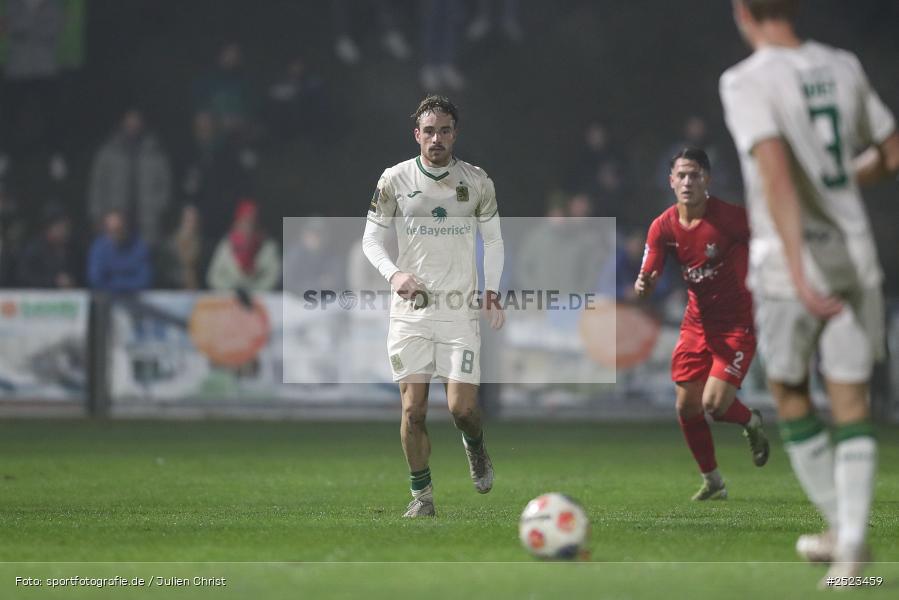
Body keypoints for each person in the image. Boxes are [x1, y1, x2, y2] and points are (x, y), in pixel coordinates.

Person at [720, 0, 899, 581]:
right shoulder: (842, 65)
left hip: (786, 262)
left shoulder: (746, 80)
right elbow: (893, 149)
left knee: (790, 389)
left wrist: (797, 265)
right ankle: (845, 541)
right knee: (851, 400)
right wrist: (844, 180)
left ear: (742, 12)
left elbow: (774, 172)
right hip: (856, 255)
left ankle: (846, 537)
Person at [362, 95, 505, 517]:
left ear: (455, 134)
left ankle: (475, 446)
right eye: (429, 131)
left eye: (444, 130)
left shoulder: (477, 181)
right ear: (417, 135)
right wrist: (395, 275)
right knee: (413, 409)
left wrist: (491, 289)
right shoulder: (394, 179)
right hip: (411, 312)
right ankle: (422, 497)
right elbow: (371, 239)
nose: (436, 138)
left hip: (459, 310)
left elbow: (494, 240)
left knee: (462, 409)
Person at [636, 147, 770, 501]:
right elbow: (647, 275)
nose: (687, 182)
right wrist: (643, 285)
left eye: (694, 175)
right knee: (685, 406)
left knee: (714, 405)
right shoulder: (663, 226)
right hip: (697, 322)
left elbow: (770, 239)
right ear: (670, 181)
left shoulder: (730, 218)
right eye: (681, 175)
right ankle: (713, 482)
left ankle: (750, 421)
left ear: (706, 180)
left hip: (737, 323)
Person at [88, 109, 172, 247]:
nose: (133, 123)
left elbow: (166, 188)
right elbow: (97, 188)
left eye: (136, 119)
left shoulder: (156, 154)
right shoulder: (108, 153)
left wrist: (157, 210)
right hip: (115, 224)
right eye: (129, 119)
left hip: (147, 224)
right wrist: (98, 217)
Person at [206, 199, 280, 292]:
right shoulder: (226, 245)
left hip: (261, 299)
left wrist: (255, 291)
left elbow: (274, 275)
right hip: (229, 300)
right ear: (237, 222)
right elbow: (213, 276)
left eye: (252, 221)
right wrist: (232, 291)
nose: (248, 226)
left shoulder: (268, 246)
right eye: (244, 221)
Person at [87, 209, 152, 292]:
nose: (114, 234)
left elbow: (144, 280)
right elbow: (96, 279)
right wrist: (126, 282)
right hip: (106, 300)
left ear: (126, 227)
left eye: (118, 229)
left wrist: (114, 283)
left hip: (136, 300)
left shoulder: (139, 247)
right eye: (110, 230)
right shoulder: (98, 248)